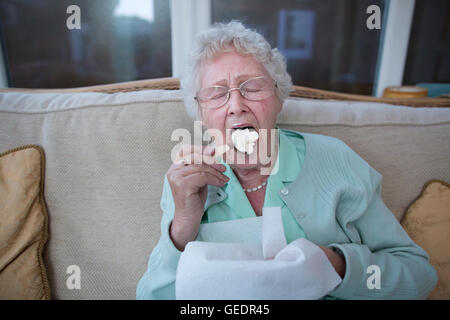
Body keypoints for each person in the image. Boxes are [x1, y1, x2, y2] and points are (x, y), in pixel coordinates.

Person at [136, 21, 437, 299]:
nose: (236, 106)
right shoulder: (187, 178)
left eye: (252, 87)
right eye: (217, 94)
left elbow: (418, 275)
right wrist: (184, 224)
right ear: (200, 113)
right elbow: (152, 295)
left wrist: (337, 265)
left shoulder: (334, 158)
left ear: (279, 98)